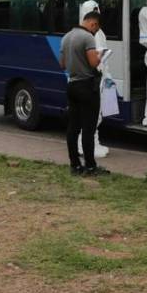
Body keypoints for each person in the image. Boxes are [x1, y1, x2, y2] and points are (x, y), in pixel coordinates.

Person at [60, 11, 109, 176]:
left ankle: (75, 165)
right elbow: (93, 62)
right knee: (88, 128)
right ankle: (90, 166)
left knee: (73, 128)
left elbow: (62, 64)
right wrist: (100, 56)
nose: (95, 32)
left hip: (72, 85)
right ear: (93, 24)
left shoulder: (66, 37)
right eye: (96, 28)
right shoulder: (87, 38)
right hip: (87, 87)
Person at [76, 0, 110, 160]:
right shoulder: (86, 35)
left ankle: (93, 143)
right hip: (90, 79)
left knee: (96, 114)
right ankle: (85, 146)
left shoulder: (96, 32)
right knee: (90, 114)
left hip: (98, 77)